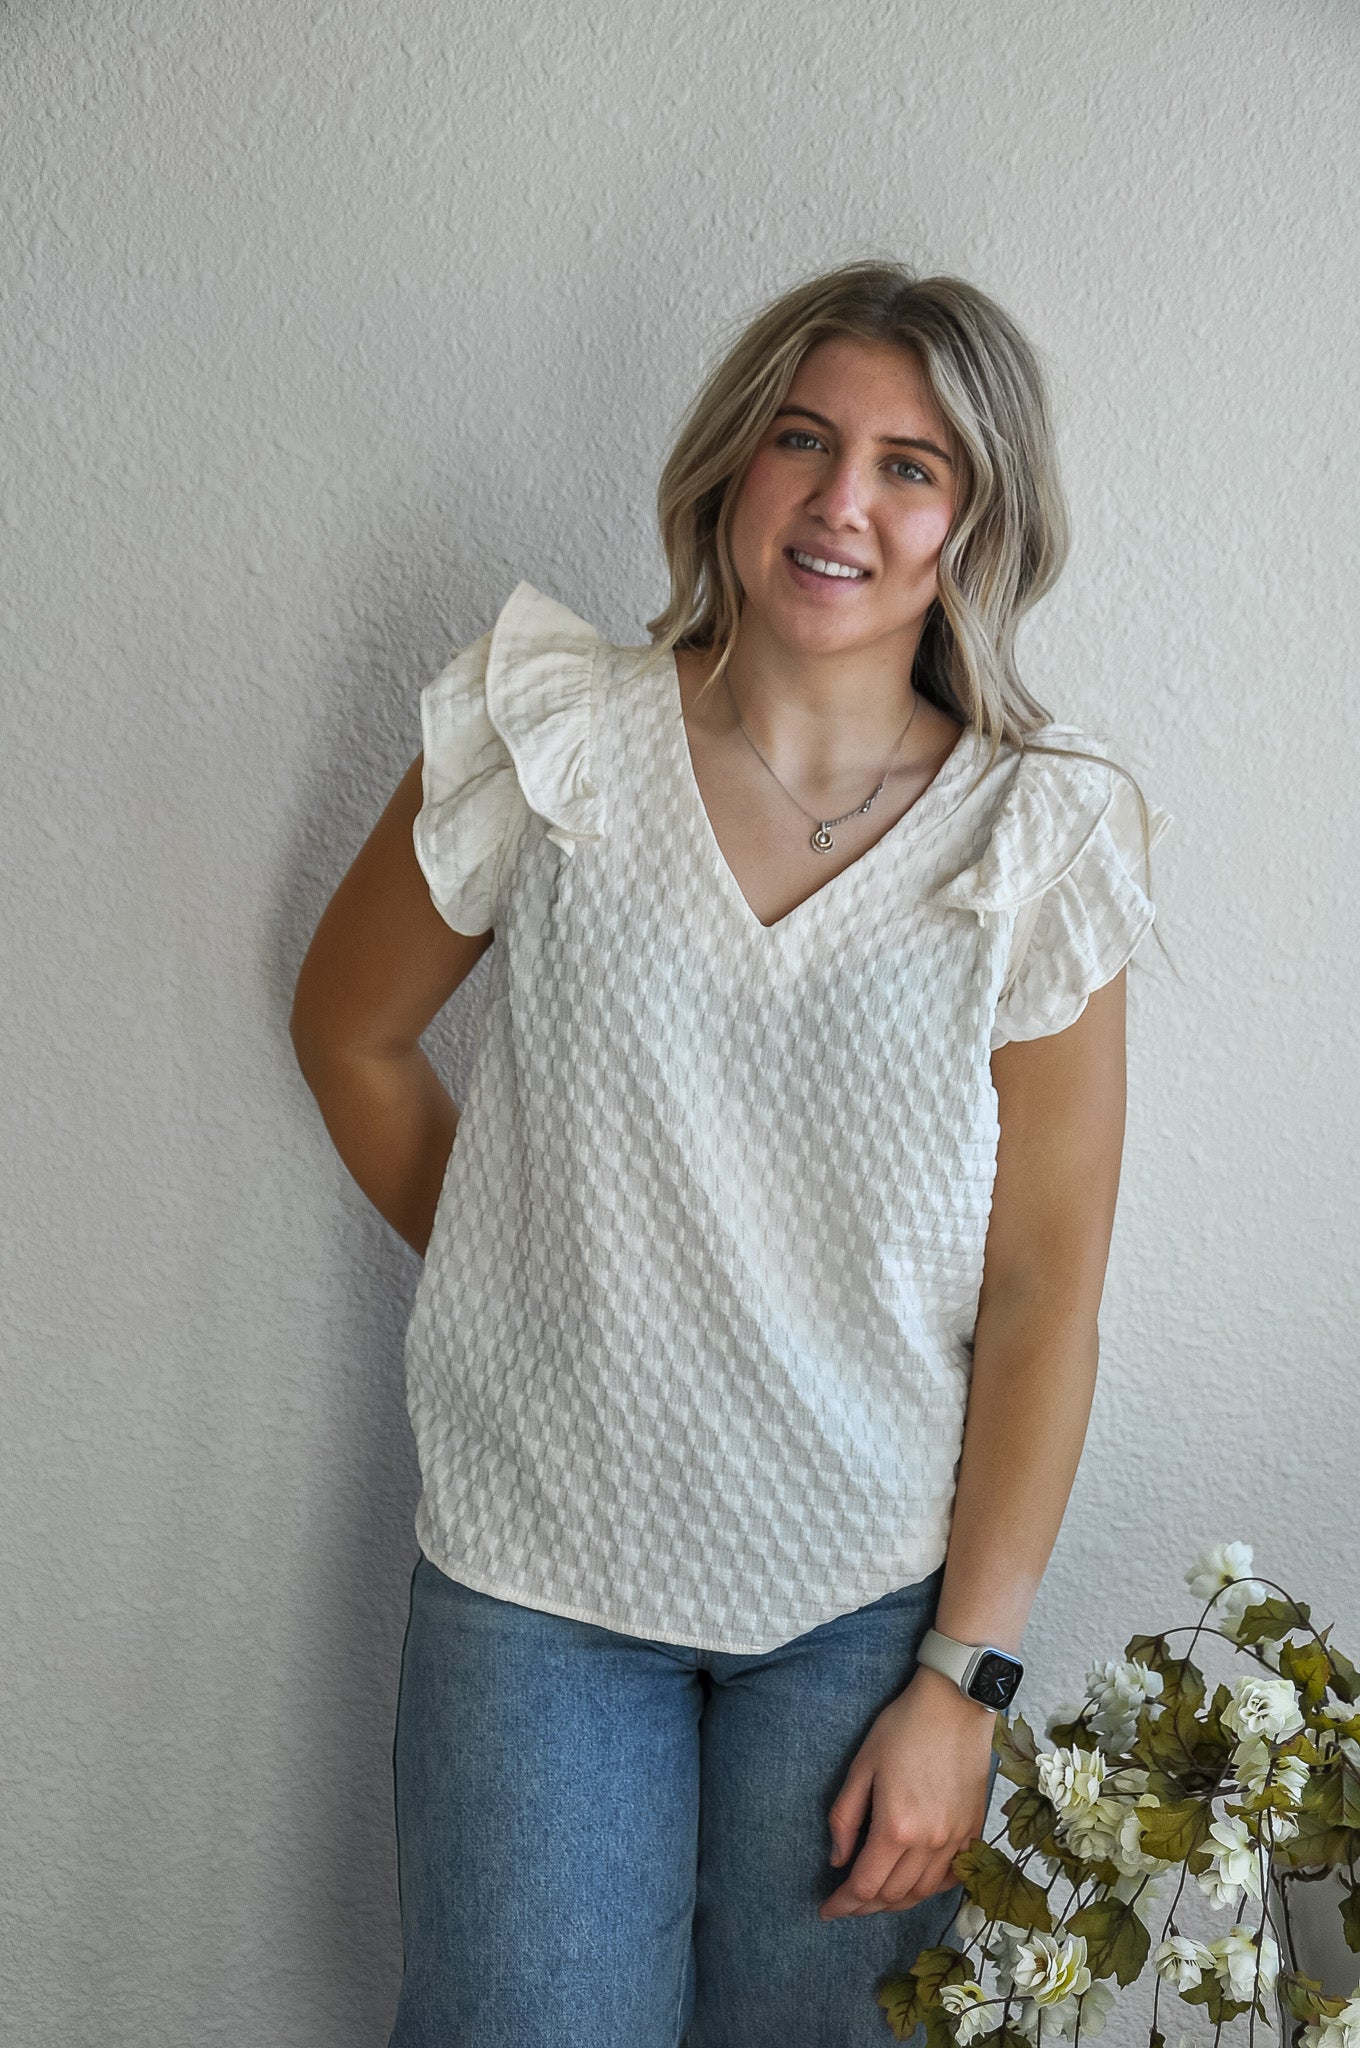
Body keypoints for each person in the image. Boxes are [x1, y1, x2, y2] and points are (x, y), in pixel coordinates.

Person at [289, 258, 1174, 2048]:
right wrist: (544, 1265)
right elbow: (352, 1034)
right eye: (803, 439)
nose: (843, 499)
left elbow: (1042, 1293)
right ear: (732, 464)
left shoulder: (1034, 837)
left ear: (977, 522)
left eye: (912, 466)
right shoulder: (552, 739)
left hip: (866, 1612)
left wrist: (967, 1682)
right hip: (534, 1582)